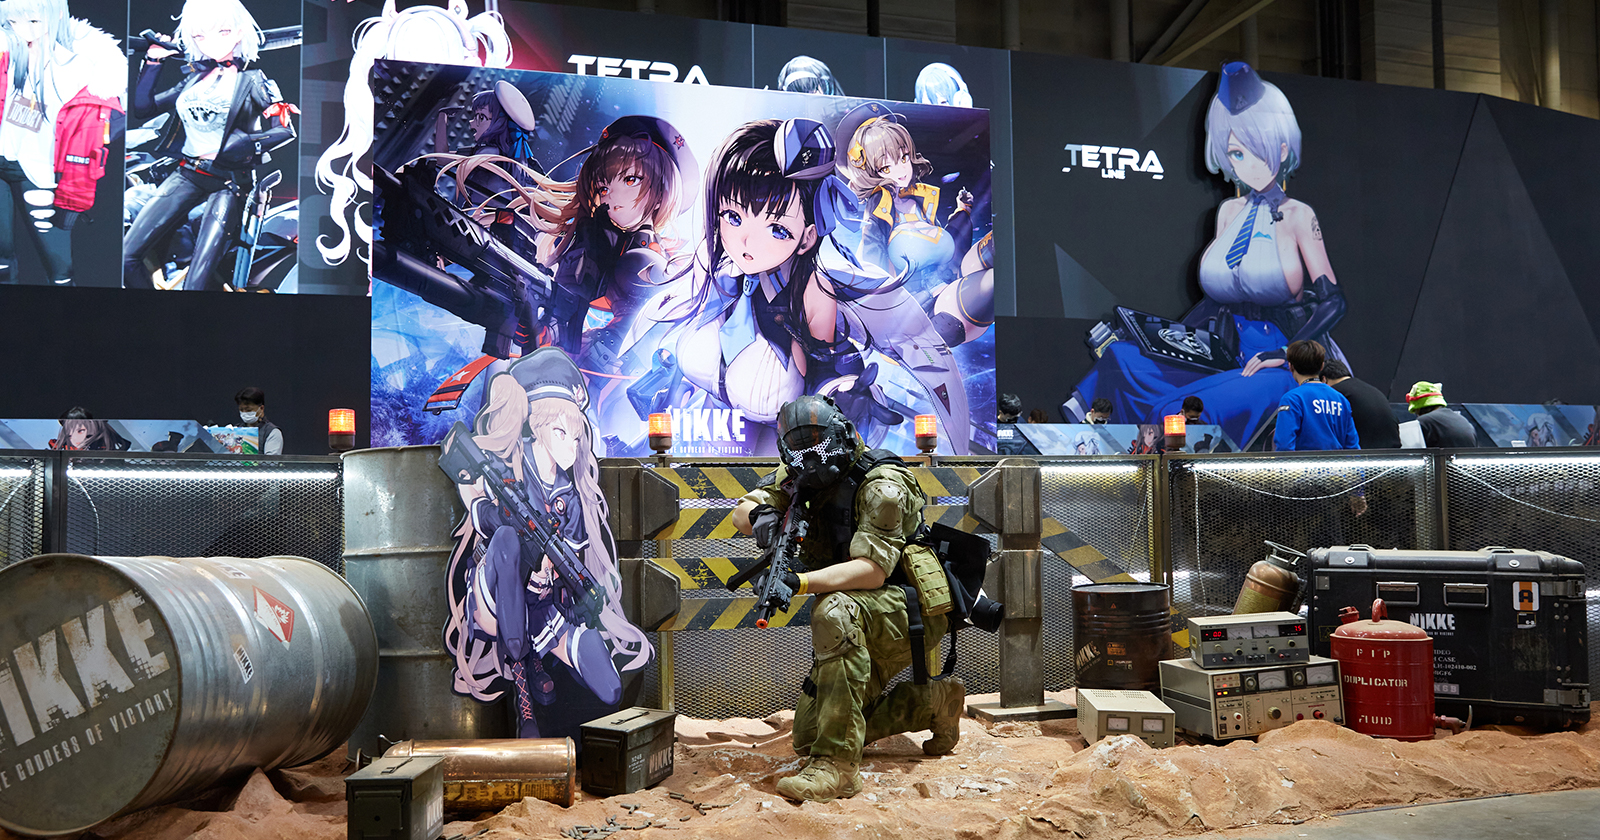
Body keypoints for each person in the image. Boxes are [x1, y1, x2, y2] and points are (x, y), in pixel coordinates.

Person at [1065, 62, 1347, 446]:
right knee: (1122, 359)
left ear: (1281, 149)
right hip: (1223, 348)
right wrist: (1161, 336)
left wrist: (1288, 353)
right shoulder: (1229, 212)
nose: (1243, 165)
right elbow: (1215, 298)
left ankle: (1161, 461)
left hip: (1276, 360)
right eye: (1235, 153)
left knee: (1186, 408)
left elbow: (1333, 302)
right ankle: (1107, 447)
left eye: (1255, 151)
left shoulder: (1299, 216)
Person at [732, 395, 964, 802]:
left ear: (841, 434)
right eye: (801, 450)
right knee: (807, 736)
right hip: (861, 612)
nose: (812, 459)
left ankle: (836, 769)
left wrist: (798, 582)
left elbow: (872, 571)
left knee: (834, 611)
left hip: (907, 608)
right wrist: (760, 515)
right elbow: (744, 507)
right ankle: (932, 703)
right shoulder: (801, 469)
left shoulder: (882, 486)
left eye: (819, 444)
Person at [443, 348, 651, 738]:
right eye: (560, 432)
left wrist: (553, 581)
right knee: (507, 540)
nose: (572, 445)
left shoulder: (570, 496)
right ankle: (523, 689)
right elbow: (476, 505)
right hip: (494, 593)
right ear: (536, 426)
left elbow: (570, 555)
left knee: (608, 688)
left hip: (542, 607)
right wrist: (497, 516)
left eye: (577, 436)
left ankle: (538, 663)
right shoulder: (506, 469)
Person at [124, 0, 297, 291]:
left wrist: (244, 144)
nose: (211, 42)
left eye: (222, 31)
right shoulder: (194, 80)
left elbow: (284, 131)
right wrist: (153, 62)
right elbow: (143, 108)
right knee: (127, 257)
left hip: (228, 183)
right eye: (200, 36)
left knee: (198, 282)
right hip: (187, 173)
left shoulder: (255, 82)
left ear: (239, 32)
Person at [837, 102, 991, 348]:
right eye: (885, 166)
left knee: (996, 251)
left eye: (903, 157)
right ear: (869, 171)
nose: (900, 170)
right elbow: (871, 265)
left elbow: (947, 245)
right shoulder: (878, 213)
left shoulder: (921, 201)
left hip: (953, 277)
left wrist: (962, 212)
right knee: (991, 283)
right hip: (924, 308)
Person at [0, 0, 124, 286]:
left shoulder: (78, 66)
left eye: (33, 21)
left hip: (40, 171)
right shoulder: (8, 56)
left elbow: (90, 131)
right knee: (2, 258)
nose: (23, 29)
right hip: (5, 158)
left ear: (56, 13)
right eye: (14, 21)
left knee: (58, 267)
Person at [1272, 340, 1357, 452]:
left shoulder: (1292, 399)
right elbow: (1353, 448)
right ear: (1322, 366)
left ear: (1291, 366)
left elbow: (1284, 446)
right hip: (1336, 463)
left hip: (1303, 463)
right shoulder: (1341, 400)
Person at [1322, 359, 1400, 449]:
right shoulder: (1367, 388)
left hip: (1367, 451)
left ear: (1324, 380)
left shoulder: (1335, 394)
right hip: (1393, 449)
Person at [1405, 381, 1476, 448]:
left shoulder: (1424, 421)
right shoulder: (1463, 420)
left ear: (1418, 409)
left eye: (1416, 411)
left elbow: (1412, 451)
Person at [235, 386, 282, 454]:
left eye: (249, 410)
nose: (244, 412)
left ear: (261, 408)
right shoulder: (235, 430)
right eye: (241, 410)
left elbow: (271, 459)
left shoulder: (272, 432)